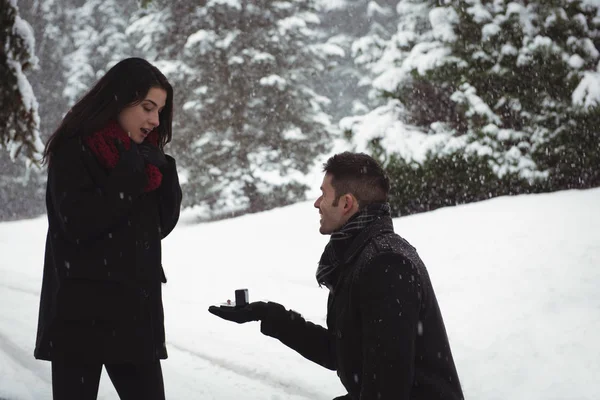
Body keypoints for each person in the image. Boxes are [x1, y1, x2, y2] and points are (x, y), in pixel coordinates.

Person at [209, 152, 464, 400]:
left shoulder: (386, 263)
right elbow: (340, 352)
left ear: (346, 203)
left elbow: (387, 388)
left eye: (323, 194)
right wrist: (265, 314)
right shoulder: (357, 257)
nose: (317, 203)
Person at [34, 57, 182, 400]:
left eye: (159, 110)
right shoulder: (74, 148)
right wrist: (131, 173)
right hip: (80, 318)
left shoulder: (142, 158)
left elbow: (159, 225)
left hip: (134, 316)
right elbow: (79, 224)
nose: (154, 120)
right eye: (147, 107)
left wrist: (165, 172)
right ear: (120, 98)